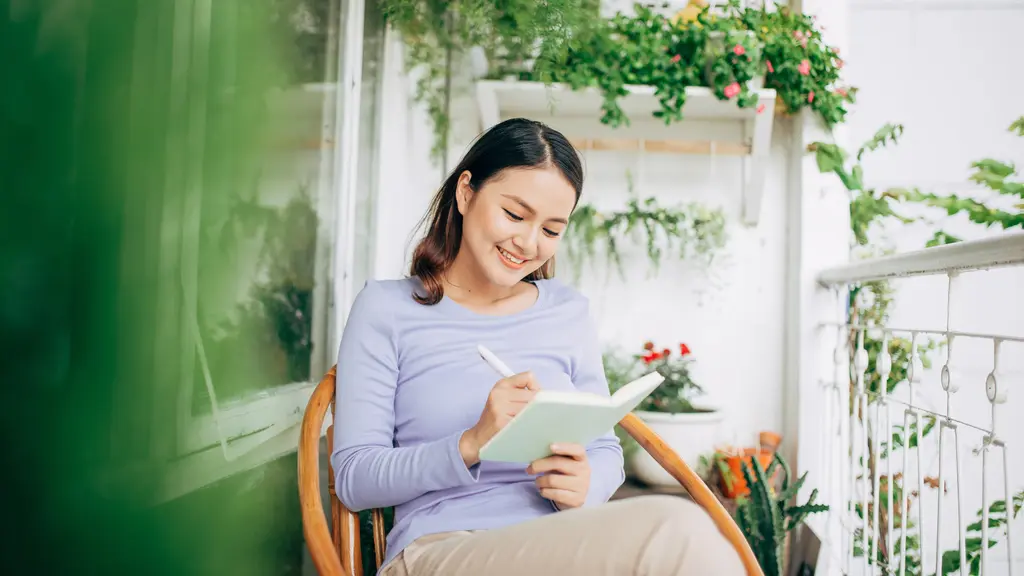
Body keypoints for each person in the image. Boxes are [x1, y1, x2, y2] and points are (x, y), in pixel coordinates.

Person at [331, 118, 745, 576]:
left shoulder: (567, 311)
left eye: (551, 230)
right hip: (442, 550)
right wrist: (471, 443)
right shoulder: (387, 309)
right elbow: (354, 478)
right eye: (514, 214)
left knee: (683, 536)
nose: (528, 243)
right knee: (677, 530)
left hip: (561, 545)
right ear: (466, 193)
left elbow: (605, 449)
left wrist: (584, 485)